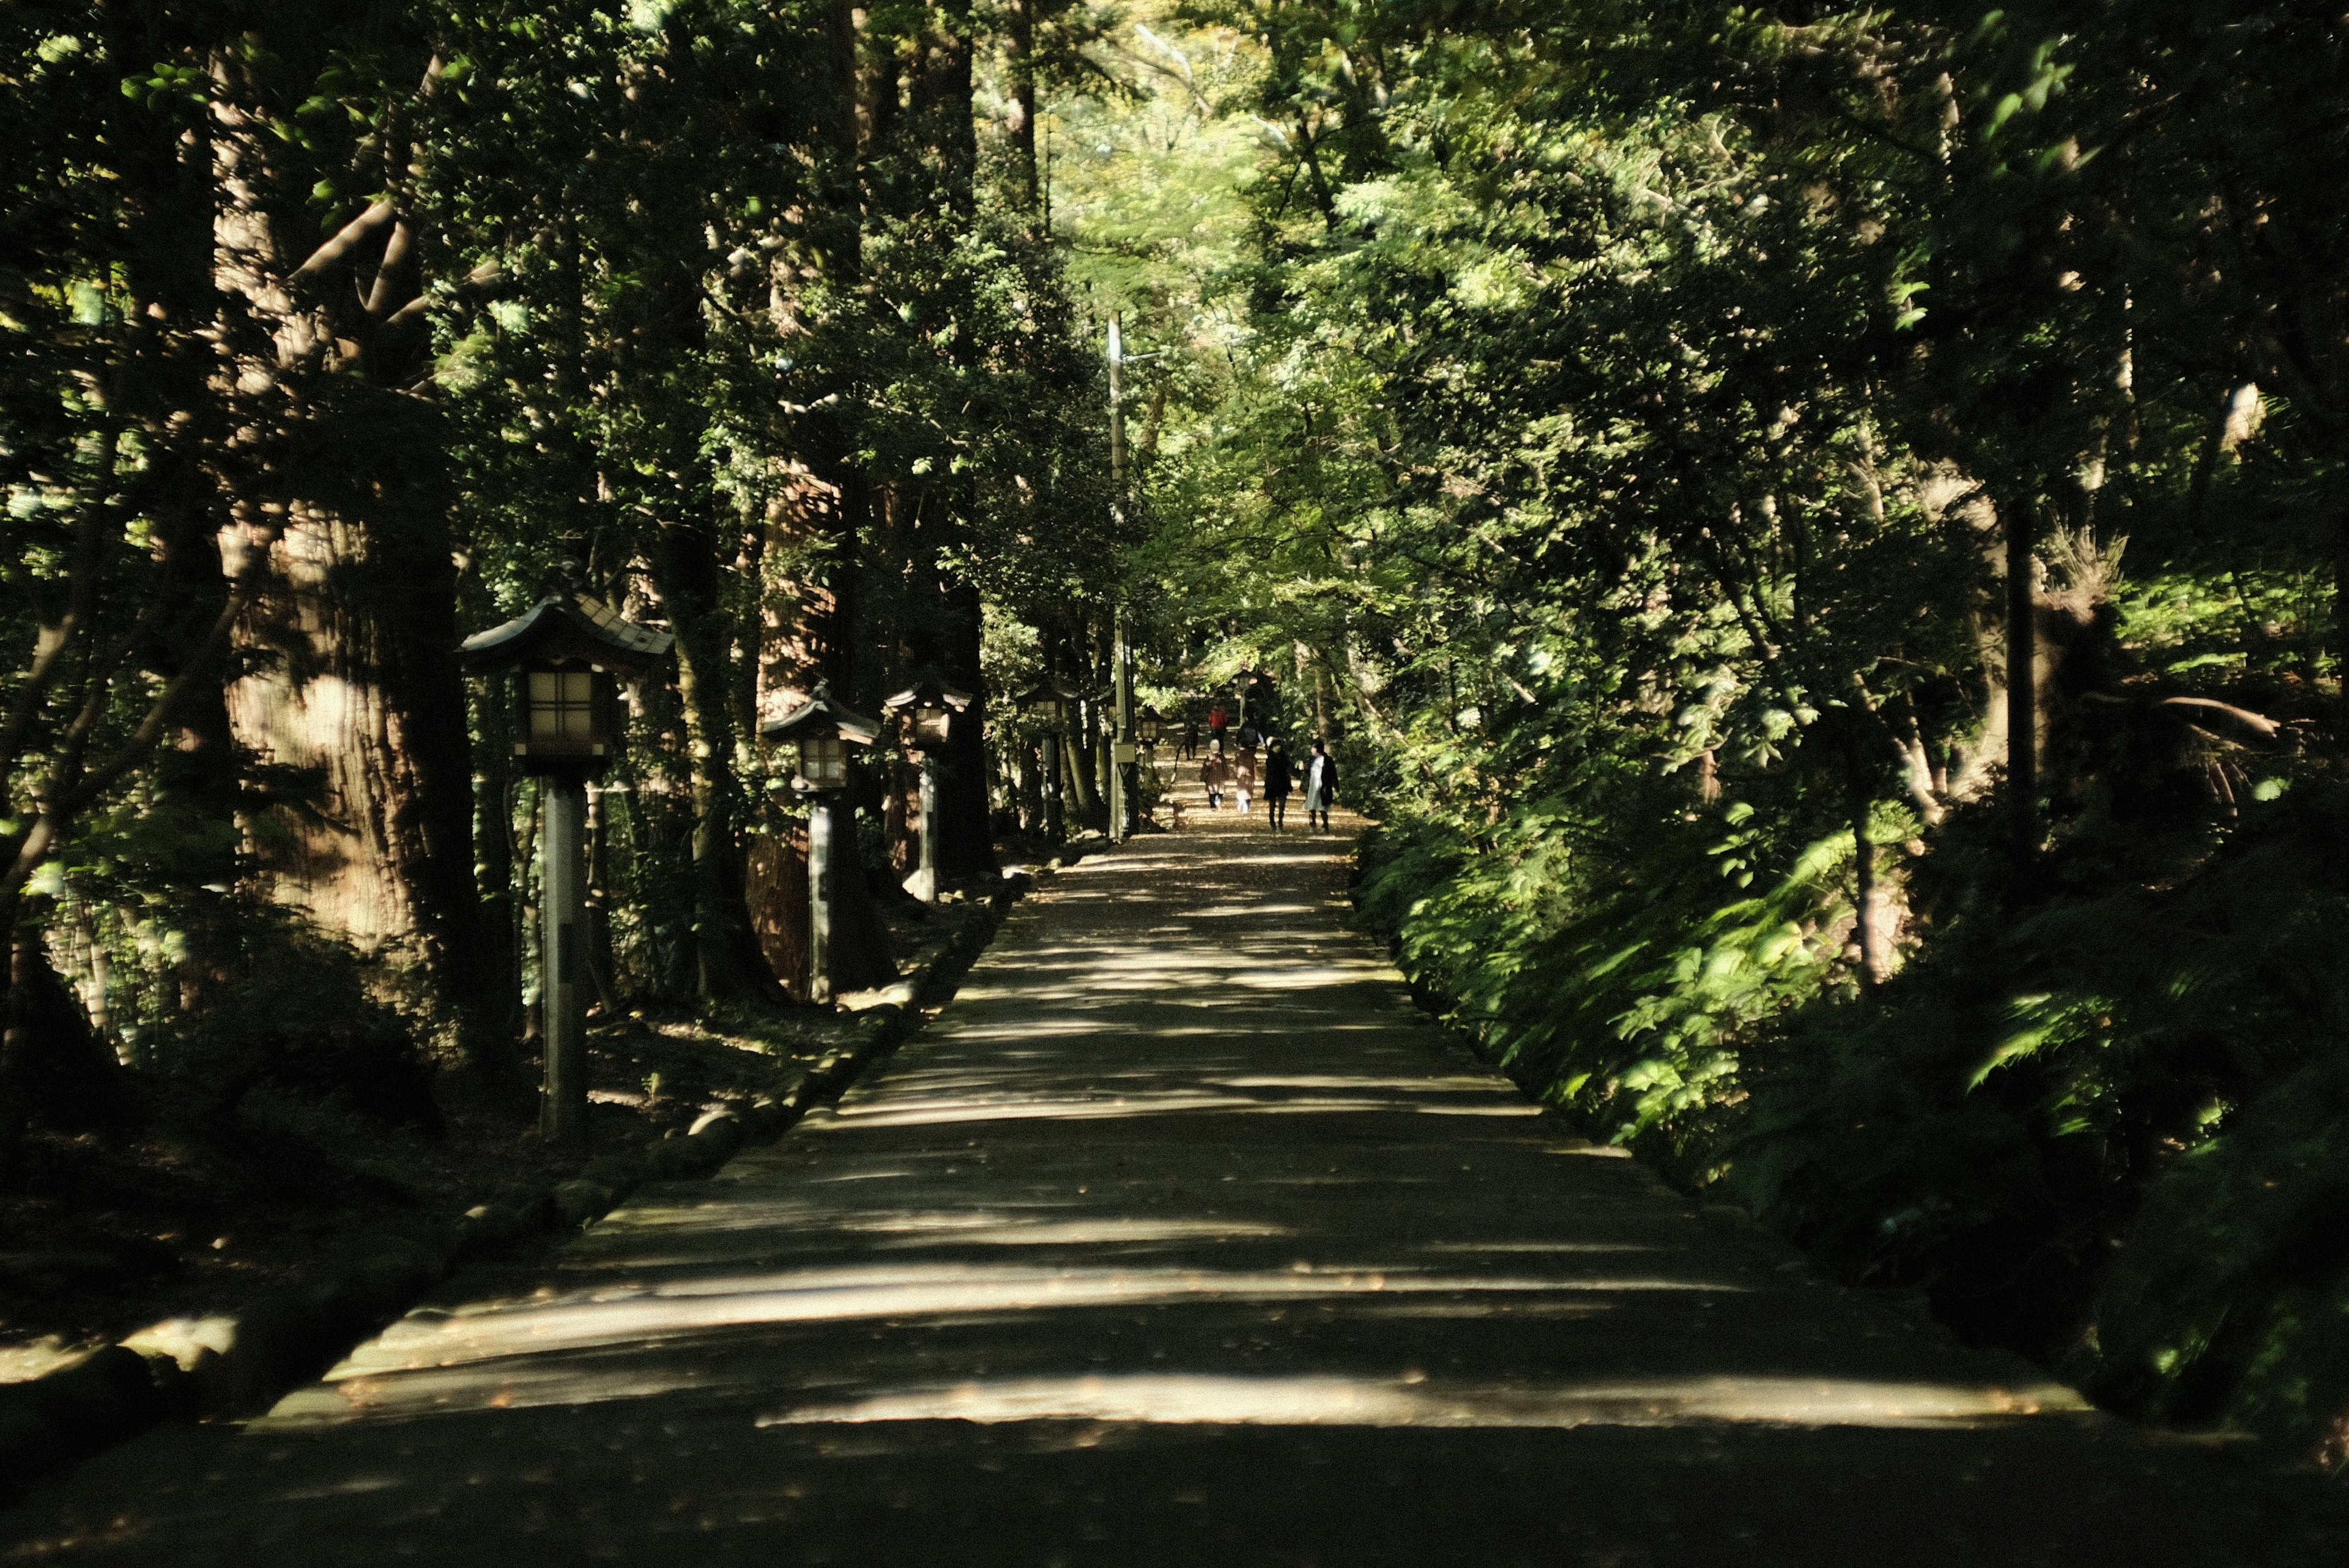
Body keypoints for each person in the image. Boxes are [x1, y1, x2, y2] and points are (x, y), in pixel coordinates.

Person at [1304, 738, 1337, 832]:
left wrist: (1336, 786)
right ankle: (1312, 824)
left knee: (1323, 807)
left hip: (1323, 787)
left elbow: (1333, 773)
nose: (1311, 750)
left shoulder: (1327, 760)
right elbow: (1311, 773)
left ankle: (1325, 826)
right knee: (1312, 805)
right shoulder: (1312, 760)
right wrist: (1305, 769)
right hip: (1313, 786)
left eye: (1313, 748)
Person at [1263, 740, 1293, 829]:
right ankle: (1272, 823)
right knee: (1272, 805)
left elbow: (1288, 771)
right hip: (1272, 785)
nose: (1278, 747)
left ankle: (1280, 822)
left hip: (1283, 784)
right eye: (1276, 746)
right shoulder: (1270, 759)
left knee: (1282, 805)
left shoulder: (1285, 758)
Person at [1234, 739, 1257, 815]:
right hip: (1250, 775)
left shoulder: (1238, 755)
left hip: (1241, 776)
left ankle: (1241, 801)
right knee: (1249, 791)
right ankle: (1246, 807)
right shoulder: (1251, 755)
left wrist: (1236, 774)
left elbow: (1235, 766)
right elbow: (1255, 764)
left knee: (1241, 789)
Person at [1203, 738, 1227, 808]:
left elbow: (1205, 768)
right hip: (1220, 777)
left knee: (1211, 792)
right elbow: (1225, 767)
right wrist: (1226, 775)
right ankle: (1219, 799)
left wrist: (1203, 777)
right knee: (1220, 791)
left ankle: (1213, 806)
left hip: (1210, 777)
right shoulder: (1222, 757)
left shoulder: (1209, 757)